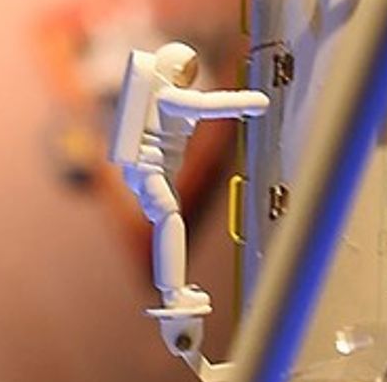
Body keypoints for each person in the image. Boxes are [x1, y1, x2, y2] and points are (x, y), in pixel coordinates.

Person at [109, 41, 269, 318]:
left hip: (151, 170)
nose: (188, 80)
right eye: (185, 73)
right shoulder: (166, 97)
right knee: (169, 217)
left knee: (169, 217)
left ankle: (174, 291)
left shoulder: (159, 97)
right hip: (150, 170)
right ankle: (173, 293)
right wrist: (250, 102)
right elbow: (205, 105)